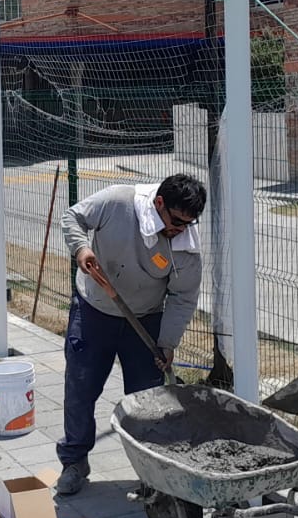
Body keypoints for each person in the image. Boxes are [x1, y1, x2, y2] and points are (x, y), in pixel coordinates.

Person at [54, 172, 207, 496]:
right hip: (94, 311)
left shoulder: (186, 248)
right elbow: (73, 216)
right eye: (176, 221)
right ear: (159, 203)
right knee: (80, 389)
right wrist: (81, 249)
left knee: (147, 401)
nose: (180, 230)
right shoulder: (118, 202)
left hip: (146, 319)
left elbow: (183, 298)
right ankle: (74, 460)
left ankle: (151, 472)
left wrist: (167, 342)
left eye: (189, 223)